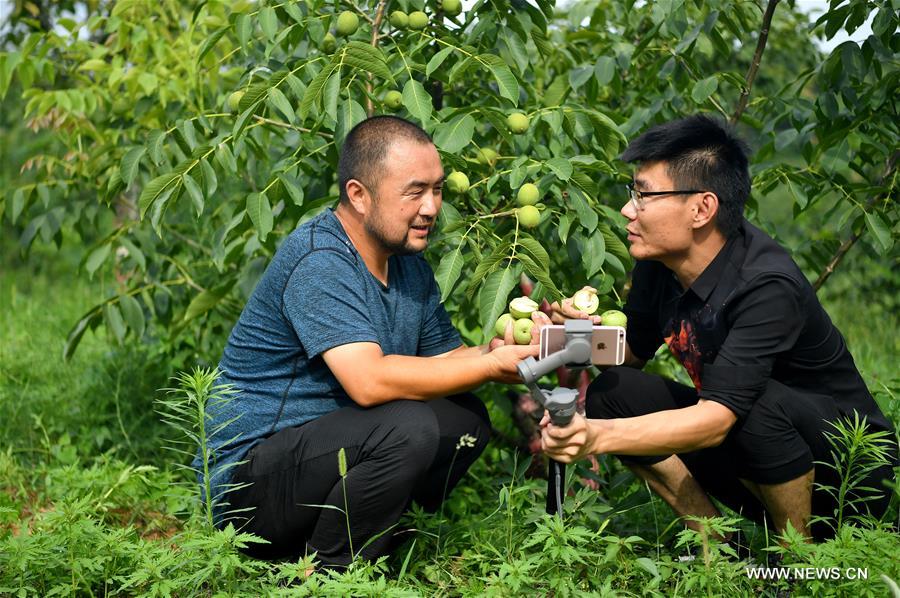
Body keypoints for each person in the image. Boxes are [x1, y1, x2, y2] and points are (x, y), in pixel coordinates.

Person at [194, 116, 539, 568]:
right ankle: (329, 574)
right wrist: (491, 368)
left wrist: (500, 351)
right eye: (415, 192)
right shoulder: (321, 260)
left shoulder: (407, 262)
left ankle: (373, 539)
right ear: (358, 195)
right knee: (408, 426)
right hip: (250, 484)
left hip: (325, 452)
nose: (432, 207)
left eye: (437, 189)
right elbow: (369, 383)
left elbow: (450, 360)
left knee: (464, 418)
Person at [540, 114, 898, 543]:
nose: (627, 209)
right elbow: (631, 351)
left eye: (643, 195)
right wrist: (561, 339)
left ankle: (799, 567)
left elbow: (717, 420)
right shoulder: (661, 261)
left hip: (847, 477)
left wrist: (595, 436)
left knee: (751, 404)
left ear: (702, 208)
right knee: (614, 392)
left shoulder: (766, 285)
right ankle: (719, 549)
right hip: (756, 448)